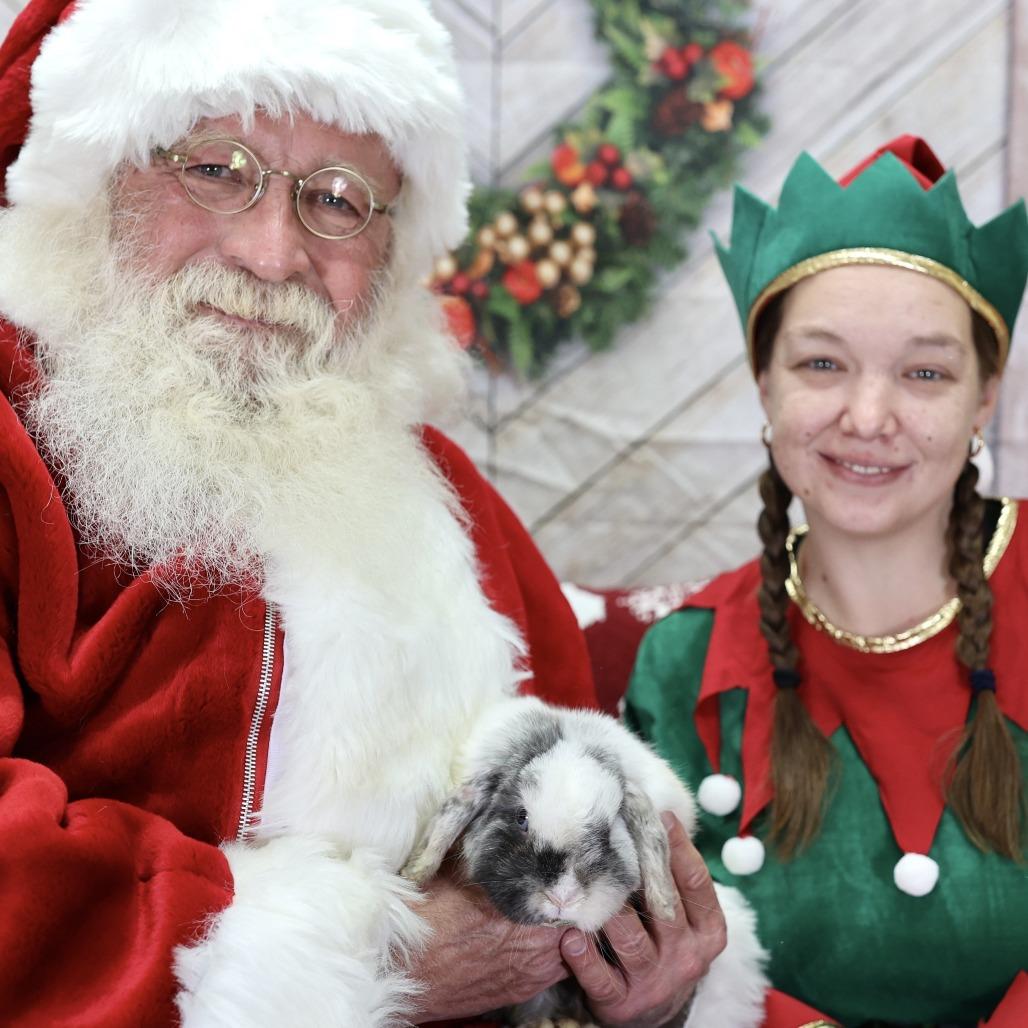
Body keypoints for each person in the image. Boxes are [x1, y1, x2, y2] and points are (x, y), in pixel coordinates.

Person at [0, 1, 738, 1025]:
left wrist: (645, 983)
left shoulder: (442, 500)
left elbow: (581, 840)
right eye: (215, 168)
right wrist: (356, 960)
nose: (271, 252)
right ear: (100, 170)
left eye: (336, 201)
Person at [625, 135, 1028, 1027]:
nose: (869, 417)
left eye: (925, 372)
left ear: (985, 394)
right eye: (822, 364)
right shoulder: (685, 666)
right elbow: (663, 967)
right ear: (764, 384)